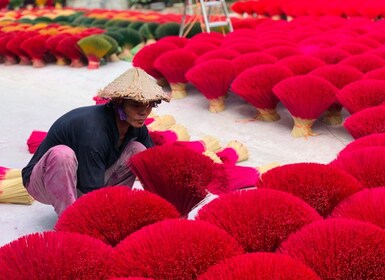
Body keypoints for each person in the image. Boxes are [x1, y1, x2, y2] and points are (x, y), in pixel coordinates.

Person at [21, 67, 170, 216]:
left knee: (138, 150)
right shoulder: (94, 131)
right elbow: (91, 193)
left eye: (149, 104)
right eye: (136, 105)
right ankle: (69, 221)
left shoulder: (136, 126)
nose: (143, 112)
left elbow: (153, 165)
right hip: (44, 182)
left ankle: (116, 207)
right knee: (62, 155)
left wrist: (166, 206)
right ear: (119, 102)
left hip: (84, 179)